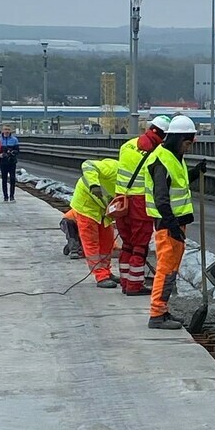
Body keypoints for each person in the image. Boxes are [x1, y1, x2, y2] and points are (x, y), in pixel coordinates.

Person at [144, 115, 205, 329]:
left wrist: (195, 173)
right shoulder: (161, 160)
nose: (188, 148)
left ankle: (163, 310)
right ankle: (157, 314)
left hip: (176, 223)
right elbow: (161, 198)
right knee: (166, 269)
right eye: (187, 143)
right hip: (168, 225)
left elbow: (178, 182)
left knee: (171, 269)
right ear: (178, 139)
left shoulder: (174, 157)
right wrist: (172, 228)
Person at [115, 115, 170, 295]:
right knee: (140, 246)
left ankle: (125, 282)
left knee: (127, 244)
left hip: (121, 201)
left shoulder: (127, 145)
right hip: (140, 203)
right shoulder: (157, 153)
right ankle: (134, 286)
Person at [69, 157, 122, 288]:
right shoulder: (112, 167)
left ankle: (106, 271)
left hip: (103, 209)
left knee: (107, 241)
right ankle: (100, 276)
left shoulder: (134, 181)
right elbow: (88, 165)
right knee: (92, 243)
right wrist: (94, 185)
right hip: (87, 208)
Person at [0, 124, 20, 201]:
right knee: (4, 179)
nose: (7, 131)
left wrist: (12, 152)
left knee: (12, 178)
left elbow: (18, 151)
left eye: (8, 129)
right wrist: (0, 155)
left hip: (12, 162)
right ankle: (5, 196)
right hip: (3, 162)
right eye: (5, 129)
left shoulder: (14, 140)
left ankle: (12, 195)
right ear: (2, 130)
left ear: (10, 130)